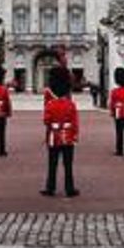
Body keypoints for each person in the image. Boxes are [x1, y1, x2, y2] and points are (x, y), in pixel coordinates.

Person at [41, 66, 79, 197]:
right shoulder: (71, 104)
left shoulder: (50, 104)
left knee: (52, 163)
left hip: (54, 136)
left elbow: (46, 121)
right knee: (68, 164)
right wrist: (75, 136)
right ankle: (70, 188)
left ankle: (50, 187)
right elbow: (75, 122)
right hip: (68, 136)